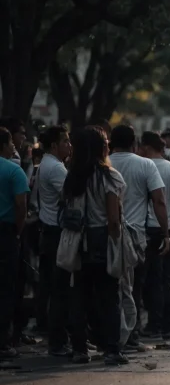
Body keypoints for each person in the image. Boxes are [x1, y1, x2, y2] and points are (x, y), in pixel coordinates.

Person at [62, 126, 128, 364]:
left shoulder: (73, 176)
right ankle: (112, 348)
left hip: (76, 240)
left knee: (79, 293)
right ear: (102, 148)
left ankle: (80, 348)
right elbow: (113, 217)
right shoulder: (109, 176)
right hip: (102, 238)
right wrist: (116, 243)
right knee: (109, 294)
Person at [109, 125, 169, 350]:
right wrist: (165, 232)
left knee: (108, 287)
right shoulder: (145, 164)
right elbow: (159, 201)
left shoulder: (103, 163)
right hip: (135, 236)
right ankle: (131, 335)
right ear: (134, 143)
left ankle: (110, 335)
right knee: (133, 287)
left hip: (105, 233)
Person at [139, 132, 170, 339]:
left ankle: (153, 323)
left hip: (151, 229)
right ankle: (168, 326)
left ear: (147, 147)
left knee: (150, 279)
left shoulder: (145, 167)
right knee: (168, 279)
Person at [35, 125, 73, 356]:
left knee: (52, 288)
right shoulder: (56, 168)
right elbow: (71, 197)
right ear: (53, 145)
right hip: (57, 234)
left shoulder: (47, 165)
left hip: (49, 232)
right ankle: (58, 342)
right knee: (61, 290)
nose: (69, 145)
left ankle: (57, 338)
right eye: (65, 141)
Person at [0, 127, 29, 359]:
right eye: (10, 142)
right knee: (6, 287)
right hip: (6, 232)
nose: (14, 146)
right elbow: (21, 206)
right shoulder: (14, 171)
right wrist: (18, 231)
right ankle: (4, 341)